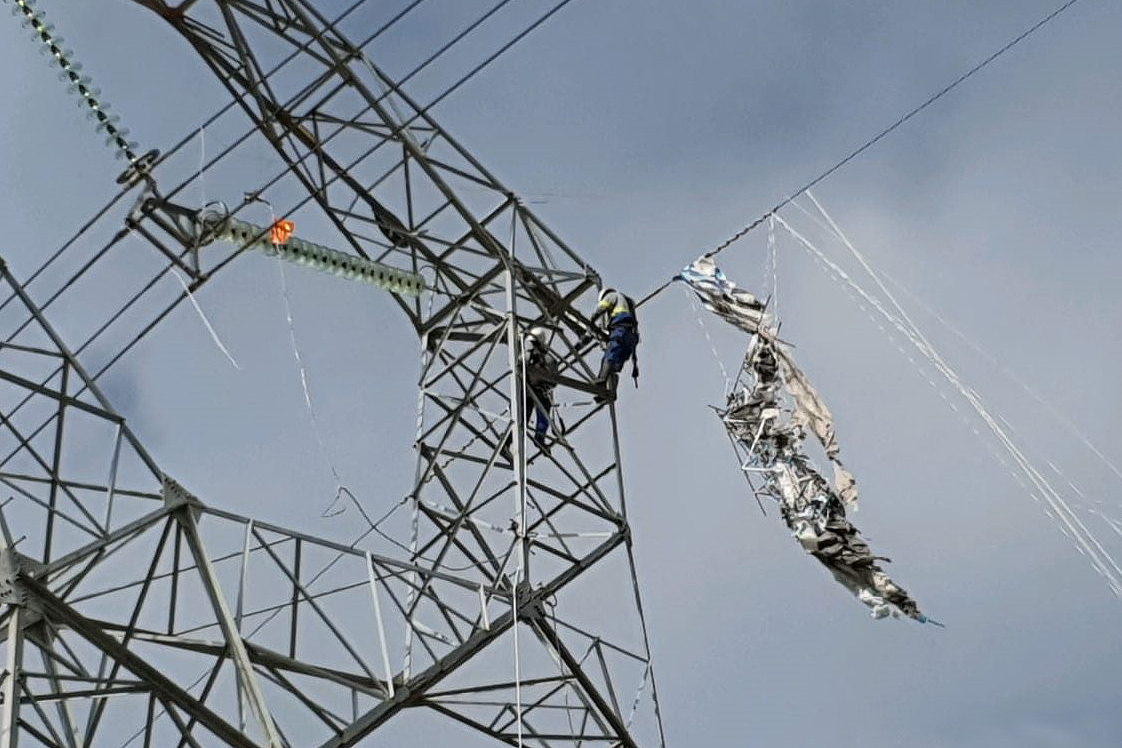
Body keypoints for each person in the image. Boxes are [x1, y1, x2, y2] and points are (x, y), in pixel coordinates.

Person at [586, 287, 640, 400]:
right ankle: (608, 392)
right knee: (614, 367)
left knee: (609, 356)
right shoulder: (629, 307)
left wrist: (591, 320)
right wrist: (635, 365)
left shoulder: (612, 295)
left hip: (620, 329)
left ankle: (601, 383)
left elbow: (602, 307)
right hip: (630, 339)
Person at [522, 326, 558, 451]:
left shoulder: (545, 359)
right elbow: (554, 379)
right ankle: (539, 439)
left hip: (533, 390)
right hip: (532, 390)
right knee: (531, 416)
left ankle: (538, 439)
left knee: (527, 418)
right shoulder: (531, 357)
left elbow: (553, 380)